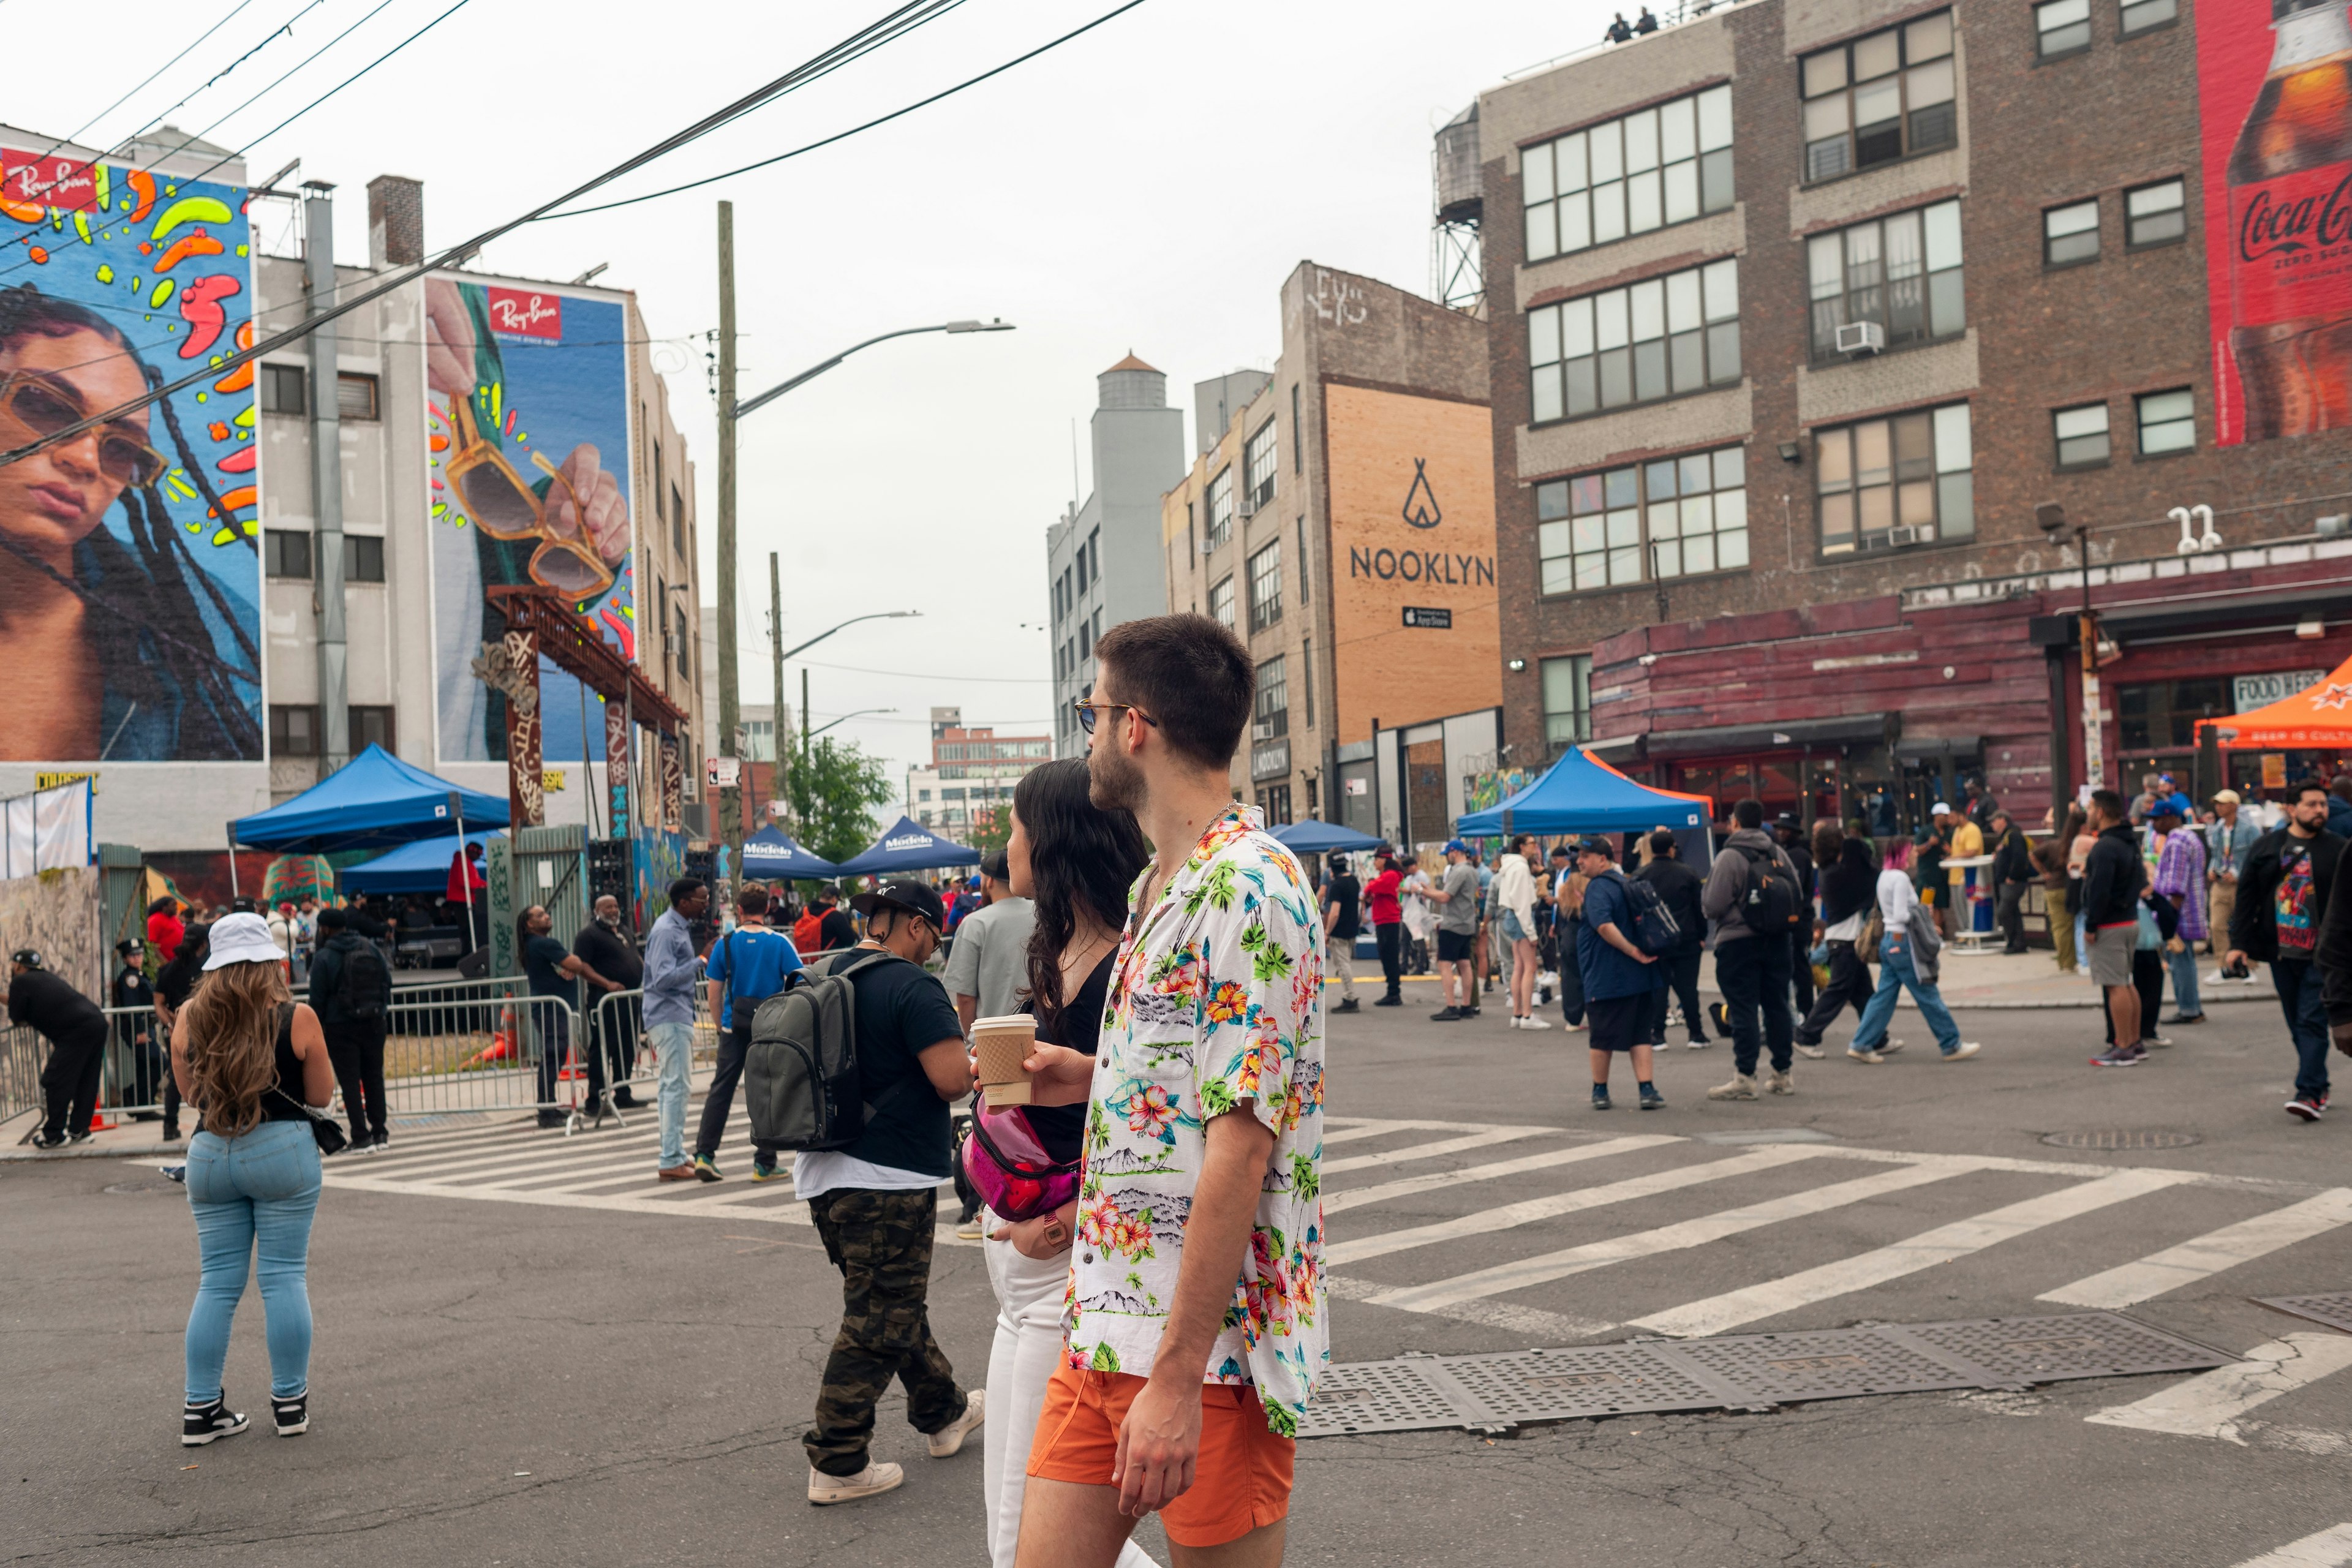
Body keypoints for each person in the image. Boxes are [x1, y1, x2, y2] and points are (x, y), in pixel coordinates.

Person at [1019, 612, 1323, 1564]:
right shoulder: (1162, 881)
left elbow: (1242, 1143)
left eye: (1093, 712)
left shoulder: (1249, 887)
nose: (1089, 735)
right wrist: (1096, 1076)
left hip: (1208, 1356)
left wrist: (1179, 1379)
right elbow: (1192, 1089)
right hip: (1102, 1324)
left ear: (1136, 727)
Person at [979, 758, 1159, 1568]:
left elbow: (1160, 1120)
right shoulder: (1061, 946)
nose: (1005, 842)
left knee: (1029, 1531)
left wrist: (1056, 1223)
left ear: (1049, 838)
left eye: (1016, 824)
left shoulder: (1129, 957)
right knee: (1013, 1523)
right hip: (1021, 1284)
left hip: (1065, 1273)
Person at [797, 878, 984, 1506]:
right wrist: (983, 1063)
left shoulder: (830, 972)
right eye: (934, 933)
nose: (935, 946)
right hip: (889, 1178)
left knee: (892, 1302)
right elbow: (951, 1079)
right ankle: (839, 1457)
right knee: (880, 1316)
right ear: (915, 925)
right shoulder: (913, 985)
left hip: (824, 1174)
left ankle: (944, 1410)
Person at [170, 911, 335, 1446]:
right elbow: (320, 1097)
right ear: (271, 961)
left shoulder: (190, 1017)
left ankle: (201, 1410)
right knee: (284, 1276)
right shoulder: (297, 1016)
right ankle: (289, 1406)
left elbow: (191, 1095)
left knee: (216, 1284)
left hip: (212, 1151)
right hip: (281, 1148)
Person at [2231, 780, 2343, 1118]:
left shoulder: (2339, 850)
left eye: (2323, 805)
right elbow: (2246, 898)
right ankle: (2318, 1083)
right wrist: (2237, 945)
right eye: (2311, 805)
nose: (2319, 811)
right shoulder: (2268, 848)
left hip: (2322, 955)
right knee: (2297, 1022)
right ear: (2291, 809)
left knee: (2310, 1021)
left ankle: (2308, 1093)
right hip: (2279, 951)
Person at [698, 884, 807, 1181]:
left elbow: (714, 992)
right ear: (768, 910)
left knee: (721, 1089)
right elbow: (800, 982)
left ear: (741, 910)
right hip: (769, 1029)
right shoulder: (780, 943)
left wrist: (722, 1025)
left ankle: (705, 1155)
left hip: (735, 1026)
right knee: (766, 1092)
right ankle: (764, 1162)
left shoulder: (726, 944)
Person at [1844, 838, 1980, 1063]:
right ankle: (1951, 1043)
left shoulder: (1885, 876)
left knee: (1884, 997)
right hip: (1903, 942)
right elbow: (1901, 915)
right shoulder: (1900, 879)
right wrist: (1920, 912)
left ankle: (1861, 1043)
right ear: (1904, 854)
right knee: (1927, 994)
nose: (1915, 855)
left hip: (1890, 941)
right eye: (1912, 851)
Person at [1704, 799, 1804, 1101]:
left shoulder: (1729, 857)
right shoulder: (1779, 854)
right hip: (1777, 939)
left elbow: (1713, 905)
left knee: (1743, 1009)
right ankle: (1782, 1075)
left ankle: (1745, 1077)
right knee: (1778, 1006)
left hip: (1738, 942)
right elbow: (1796, 893)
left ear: (1735, 822)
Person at [517, 903, 625, 1129]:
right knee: (553, 1055)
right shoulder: (544, 943)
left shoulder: (535, 945)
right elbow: (576, 963)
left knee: (555, 1056)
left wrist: (567, 965)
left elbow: (570, 965)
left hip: (552, 1008)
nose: (547, 917)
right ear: (529, 924)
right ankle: (546, 1111)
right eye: (540, 915)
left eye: (546, 913)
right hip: (552, 1009)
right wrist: (570, 963)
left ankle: (548, 1106)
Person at [1576, 837, 1664, 1110]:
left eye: (1586, 856)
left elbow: (1603, 926)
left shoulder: (1598, 888)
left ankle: (1600, 1091)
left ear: (1602, 859)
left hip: (1607, 976)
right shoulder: (1626, 883)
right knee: (1640, 1034)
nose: (1580, 861)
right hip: (1640, 977)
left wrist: (1631, 951)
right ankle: (1646, 1089)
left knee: (1602, 1036)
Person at [306, 907, 392, 1151]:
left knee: (350, 1082)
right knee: (374, 1077)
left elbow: (317, 999)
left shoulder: (324, 956)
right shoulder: (369, 947)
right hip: (375, 1022)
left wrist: (318, 1030)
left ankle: (360, 1136)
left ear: (324, 928)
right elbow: (387, 980)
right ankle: (380, 1132)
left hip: (340, 1026)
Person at [1795, 822, 1880, 1059]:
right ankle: (1806, 1036)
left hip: (1846, 942)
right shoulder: (1838, 874)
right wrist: (1849, 841)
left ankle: (1878, 1037)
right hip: (1843, 944)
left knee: (1864, 993)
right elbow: (1863, 857)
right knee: (1836, 992)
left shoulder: (1829, 870)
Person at [642, 878, 707, 1182]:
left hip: (672, 1014)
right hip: (668, 1015)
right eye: (701, 899)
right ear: (684, 902)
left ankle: (675, 1153)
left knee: (672, 1087)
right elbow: (663, 978)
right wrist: (700, 960)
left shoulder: (675, 926)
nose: (706, 903)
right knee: (676, 1087)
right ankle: (670, 1158)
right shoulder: (668, 930)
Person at [2083, 788, 2152, 1068]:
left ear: (2100, 812)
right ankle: (2134, 1041)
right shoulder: (2128, 843)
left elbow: (2099, 889)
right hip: (2129, 918)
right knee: (2125, 983)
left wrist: (2091, 924)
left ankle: (2123, 1046)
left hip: (2109, 923)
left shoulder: (2104, 847)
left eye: (2090, 808)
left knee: (2115, 986)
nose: (2087, 814)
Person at [14, 949, 111, 1147]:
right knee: (86, 1080)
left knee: (55, 1080)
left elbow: (18, 1017)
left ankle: (53, 1134)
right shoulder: (45, 977)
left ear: (18, 966)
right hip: (96, 1022)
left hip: (76, 1032)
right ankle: (79, 1130)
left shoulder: (19, 982)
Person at [946, 849, 1037, 1033]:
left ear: (989, 881)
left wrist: (972, 1037)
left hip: (993, 1038)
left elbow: (965, 996)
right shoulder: (1043, 915)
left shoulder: (975, 924)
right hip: (1043, 1034)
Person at [1635, 828, 1708, 1049]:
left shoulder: (1641, 875)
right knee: (1688, 989)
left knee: (1658, 988)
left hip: (1654, 941)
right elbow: (1699, 908)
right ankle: (1696, 1033)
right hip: (1687, 938)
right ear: (1671, 848)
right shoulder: (1688, 873)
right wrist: (1702, 935)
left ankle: (1657, 1034)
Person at [571, 894, 646, 1107]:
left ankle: (622, 1093)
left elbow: (634, 954)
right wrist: (606, 983)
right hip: (605, 1000)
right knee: (604, 1047)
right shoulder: (588, 935)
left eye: (615, 906)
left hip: (629, 997)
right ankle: (594, 1098)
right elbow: (582, 966)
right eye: (608, 907)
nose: (613, 910)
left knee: (627, 1046)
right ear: (597, 911)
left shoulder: (623, 929)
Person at [2149, 802, 2207, 1027]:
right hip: (2189, 911)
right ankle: (2192, 1008)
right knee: (2185, 961)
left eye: (2157, 819)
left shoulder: (2176, 842)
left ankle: (2189, 1009)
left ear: (2171, 818)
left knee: (2180, 962)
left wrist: (2169, 918)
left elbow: (2176, 883)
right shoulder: (2189, 837)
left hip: (2179, 915)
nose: (2153, 824)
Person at [153, 923, 209, 1142]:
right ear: (204, 944)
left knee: (176, 1076)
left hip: (177, 1031)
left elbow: (158, 1002)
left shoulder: (169, 968)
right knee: (209, 1073)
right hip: (203, 1030)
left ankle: (170, 1125)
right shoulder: (206, 969)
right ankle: (207, 1121)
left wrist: (171, 1024)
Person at [1494, 835, 1549, 1030]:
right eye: (1531, 843)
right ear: (1521, 847)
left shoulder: (1512, 866)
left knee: (1519, 966)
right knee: (1529, 967)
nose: (1535, 847)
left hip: (1512, 916)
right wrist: (1531, 933)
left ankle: (1518, 1012)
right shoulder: (1520, 867)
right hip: (1520, 917)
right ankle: (1527, 1014)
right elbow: (1522, 902)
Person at [1427, 840, 1482, 1022]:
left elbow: (1445, 897)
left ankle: (1451, 1006)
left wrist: (1422, 891)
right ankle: (1467, 1006)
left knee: (1445, 964)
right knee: (1464, 963)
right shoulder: (1473, 871)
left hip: (1453, 923)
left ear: (1455, 852)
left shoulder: (1459, 871)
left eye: (1448, 855)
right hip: (1467, 923)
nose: (1447, 859)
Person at [2207, 790, 2261, 967]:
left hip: (2241, 885)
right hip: (2221, 883)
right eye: (2217, 804)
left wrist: (2239, 875)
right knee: (2217, 926)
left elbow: (2257, 856)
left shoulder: (2250, 829)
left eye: (2222, 803)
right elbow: (2216, 854)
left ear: (2234, 805)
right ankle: (2223, 967)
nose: (2218, 807)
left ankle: (2250, 966)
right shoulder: (2217, 829)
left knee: (2245, 924)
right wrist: (2211, 870)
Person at [113, 937, 164, 1117]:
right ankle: (134, 1097)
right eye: (132, 955)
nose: (137, 958)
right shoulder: (130, 978)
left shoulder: (139, 975)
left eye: (139, 954)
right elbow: (132, 1006)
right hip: (137, 1028)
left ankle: (143, 1107)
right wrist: (140, 1031)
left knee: (147, 1066)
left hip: (145, 1027)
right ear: (125, 958)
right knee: (159, 1062)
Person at [1774, 814, 1818, 1019]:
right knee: (1795, 967)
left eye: (1786, 829)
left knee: (1800, 968)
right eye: (1779, 829)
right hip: (1792, 918)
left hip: (1799, 919)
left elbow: (1796, 889)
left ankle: (1806, 1011)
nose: (1781, 832)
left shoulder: (1799, 855)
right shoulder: (1788, 853)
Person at [2037, 807, 2084, 974]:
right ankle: (2073, 961)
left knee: (2060, 928)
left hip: (2052, 888)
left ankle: (2065, 962)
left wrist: (2044, 873)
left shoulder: (2053, 844)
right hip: (2069, 888)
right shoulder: (2078, 844)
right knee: (2074, 925)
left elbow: (2033, 854)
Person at [1987, 810, 2037, 955]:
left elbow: (2019, 857)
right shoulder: (2005, 837)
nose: (1992, 825)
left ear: (2003, 820)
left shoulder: (2013, 835)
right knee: (2013, 911)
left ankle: (2014, 942)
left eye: (1994, 821)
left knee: (2004, 911)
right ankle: (2018, 943)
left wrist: (2013, 876)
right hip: (2007, 882)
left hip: (2013, 882)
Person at [1321, 853, 1362, 1014]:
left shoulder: (1337, 885)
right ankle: (1350, 996)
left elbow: (1335, 912)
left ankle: (1350, 998)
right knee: (1346, 963)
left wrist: (1327, 931)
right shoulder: (1353, 880)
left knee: (1343, 965)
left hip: (1339, 930)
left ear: (1332, 868)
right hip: (1352, 928)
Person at [1366, 851, 1405, 1006]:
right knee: (1386, 955)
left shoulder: (1390, 875)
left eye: (1376, 859)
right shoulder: (1387, 875)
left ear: (1384, 860)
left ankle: (1394, 993)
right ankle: (1392, 991)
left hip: (1389, 920)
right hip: (1383, 920)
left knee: (1390, 956)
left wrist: (1369, 888)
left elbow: (1372, 887)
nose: (1375, 862)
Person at [148, 897, 186, 965]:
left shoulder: (174, 918)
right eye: (173, 905)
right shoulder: (155, 920)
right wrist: (164, 962)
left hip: (177, 963)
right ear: (164, 907)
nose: (176, 908)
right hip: (165, 964)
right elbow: (152, 944)